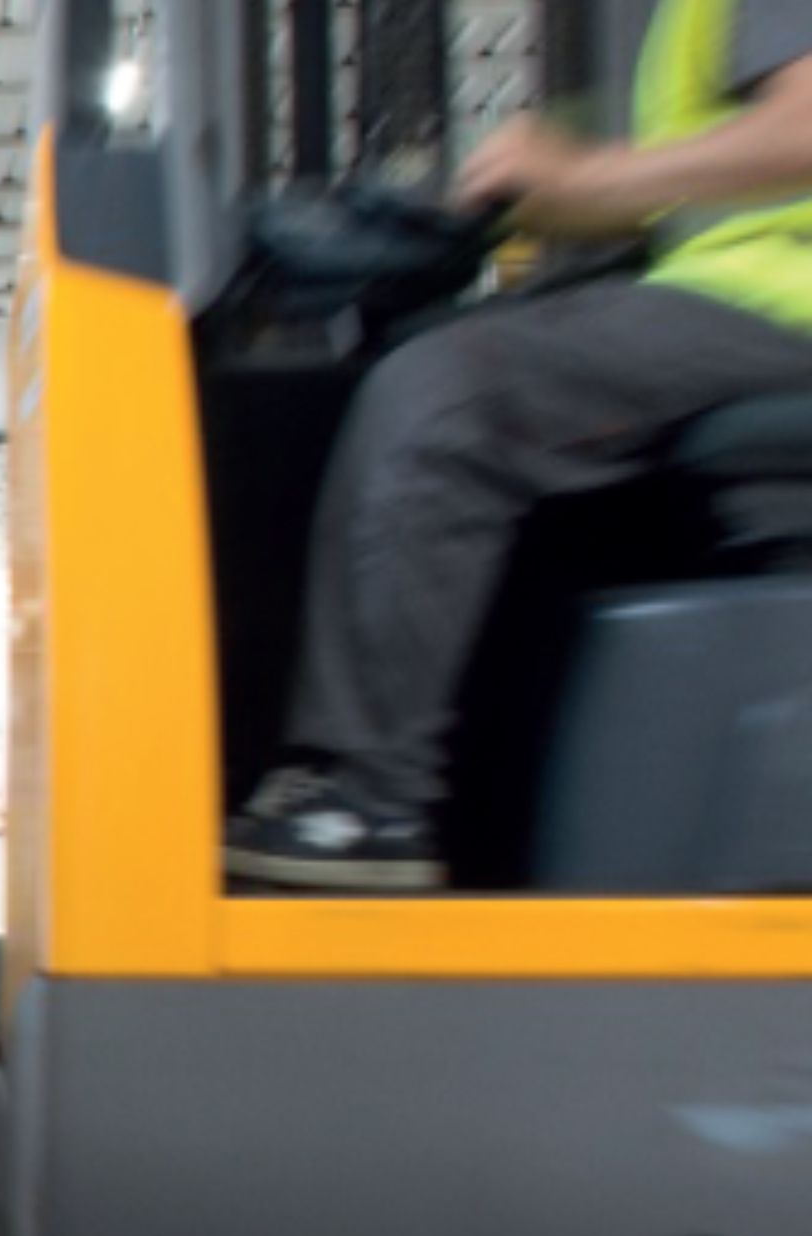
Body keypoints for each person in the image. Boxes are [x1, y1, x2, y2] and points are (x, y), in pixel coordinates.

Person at [222, 0, 812, 890]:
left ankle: (367, 801)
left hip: (784, 306)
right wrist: (544, 199)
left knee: (451, 393)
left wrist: (598, 176)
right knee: (461, 360)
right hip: (761, 299)